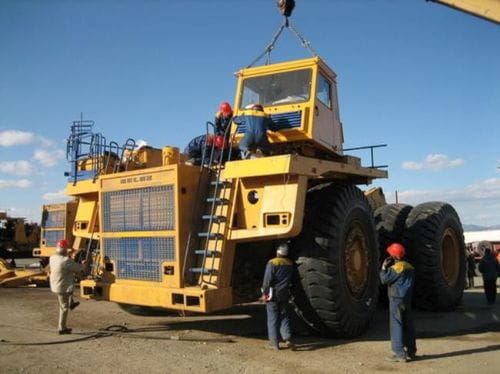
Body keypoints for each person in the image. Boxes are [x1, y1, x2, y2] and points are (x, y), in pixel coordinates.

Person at [380, 243, 417, 363]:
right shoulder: (410, 267)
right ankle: (411, 351)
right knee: (408, 325)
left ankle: (399, 353)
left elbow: (384, 279)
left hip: (396, 300)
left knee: (396, 325)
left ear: (394, 256)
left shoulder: (396, 268)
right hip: (407, 299)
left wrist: (384, 268)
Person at [261, 243, 294, 350]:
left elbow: (267, 280)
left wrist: (264, 293)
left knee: (272, 318)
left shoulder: (272, 263)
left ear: (277, 251)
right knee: (284, 316)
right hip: (284, 293)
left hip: (273, 294)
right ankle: (287, 338)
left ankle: (274, 343)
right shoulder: (290, 263)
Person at [49, 239, 86, 334]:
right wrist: (83, 264)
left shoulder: (52, 258)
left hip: (56, 285)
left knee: (70, 288)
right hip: (62, 286)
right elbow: (78, 268)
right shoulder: (65, 260)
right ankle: (61, 328)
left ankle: (71, 302)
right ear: (64, 249)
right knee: (64, 307)